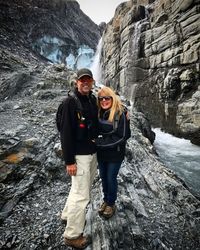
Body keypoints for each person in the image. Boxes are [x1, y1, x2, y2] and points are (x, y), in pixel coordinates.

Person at [59, 68, 98, 249]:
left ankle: (67, 215)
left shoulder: (91, 99)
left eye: (88, 80)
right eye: (82, 80)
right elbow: (65, 134)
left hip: (91, 152)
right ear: (76, 82)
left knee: (79, 189)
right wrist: (69, 161)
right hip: (79, 156)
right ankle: (72, 235)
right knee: (82, 195)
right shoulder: (70, 103)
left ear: (92, 82)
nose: (85, 83)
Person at [95, 86, 131, 219]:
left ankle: (111, 203)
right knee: (103, 177)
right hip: (102, 153)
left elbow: (123, 136)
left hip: (115, 153)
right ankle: (106, 199)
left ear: (112, 98)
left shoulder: (120, 113)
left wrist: (98, 143)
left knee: (111, 177)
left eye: (107, 98)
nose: (104, 101)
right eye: (101, 99)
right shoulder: (98, 112)